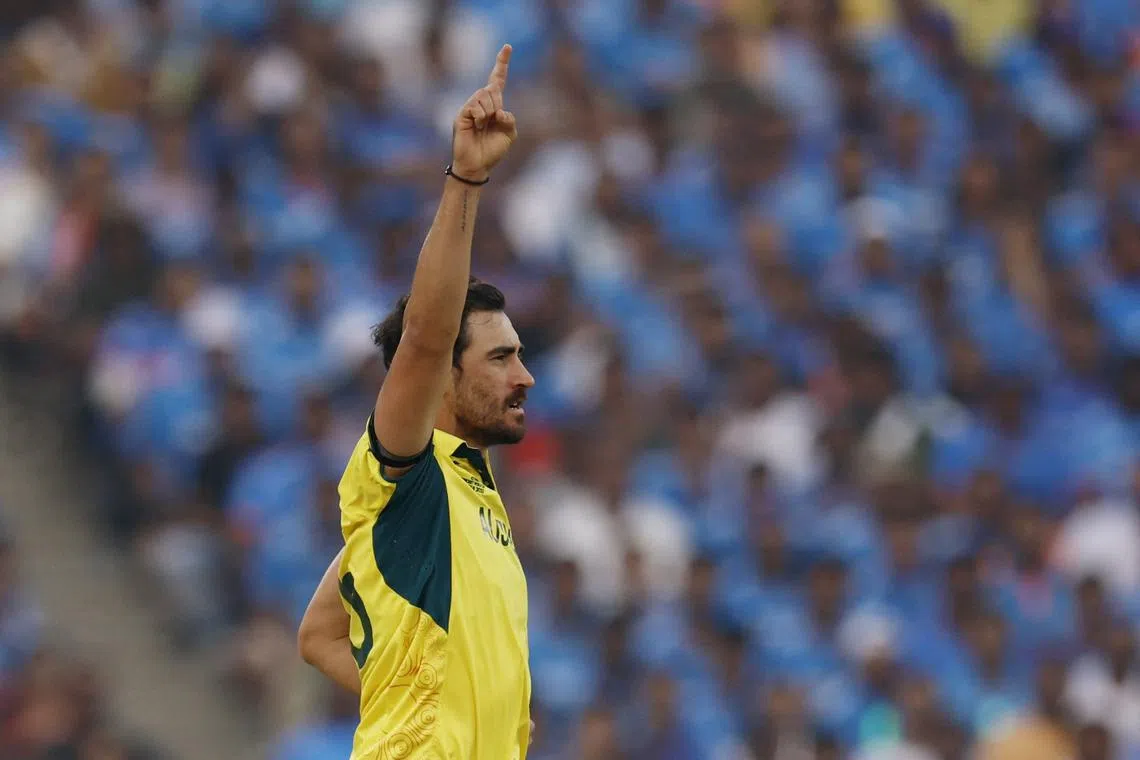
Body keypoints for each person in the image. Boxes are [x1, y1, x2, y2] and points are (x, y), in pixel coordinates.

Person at [296, 45, 535, 760]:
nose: (524, 376)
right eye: (500, 357)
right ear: (439, 381)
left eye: (519, 355)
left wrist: (442, 702)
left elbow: (318, 635)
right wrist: (466, 177)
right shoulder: (407, 468)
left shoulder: (457, 498)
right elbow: (429, 336)